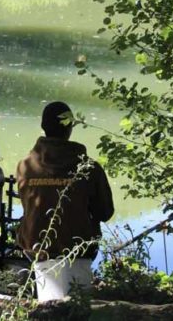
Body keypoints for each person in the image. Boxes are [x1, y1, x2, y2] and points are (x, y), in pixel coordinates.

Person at [16, 101, 114, 297]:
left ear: (43, 127)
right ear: (70, 127)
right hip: (78, 249)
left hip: (35, 247)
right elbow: (105, 213)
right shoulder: (89, 168)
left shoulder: (24, 166)